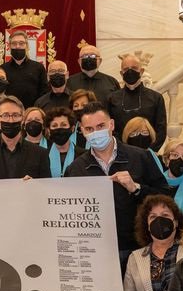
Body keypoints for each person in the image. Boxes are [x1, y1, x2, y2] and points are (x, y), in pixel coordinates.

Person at [63, 102, 171, 268]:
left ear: (111, 125)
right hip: (94, 251)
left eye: (100, 126)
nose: (95, 133)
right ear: (82, 131)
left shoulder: (140, 157)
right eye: (89, 129)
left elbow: (166, 197)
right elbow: (63, 208)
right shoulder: (75, 169)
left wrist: (136, 189)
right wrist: (31, 188)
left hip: (136, 249)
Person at [0, 95, 50, 180]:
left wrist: (34, 184)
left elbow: (47, 185)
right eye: (5, 115)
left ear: (22, 119)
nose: (11, 120)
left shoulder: (40, 154)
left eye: (15, 115)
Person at [108, 54, 167, 149]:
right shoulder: (112, 99)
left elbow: (161, 130)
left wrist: (149, 152)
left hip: (148, 153)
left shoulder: (156, 98)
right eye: (126, 69)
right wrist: (122, 150)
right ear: (121, 73)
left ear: (141, 71)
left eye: (134, 68)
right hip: (121, 152)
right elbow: (110, 129)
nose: (130, 71)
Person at [2, 30, 47, 108]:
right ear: (9, 47)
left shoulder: (39, 68)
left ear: (27, 46)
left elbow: (44, 93)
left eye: (21, 43)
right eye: (14, 43)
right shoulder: (2, 69)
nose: (18, 46)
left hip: (33, 112)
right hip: (10, 112)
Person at [44, 107, 81, 177]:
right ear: (48, 131)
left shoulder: (83, 155)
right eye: (54, 126)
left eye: (63, 125)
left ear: (72, 128)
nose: (59, 129)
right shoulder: (42, 156)